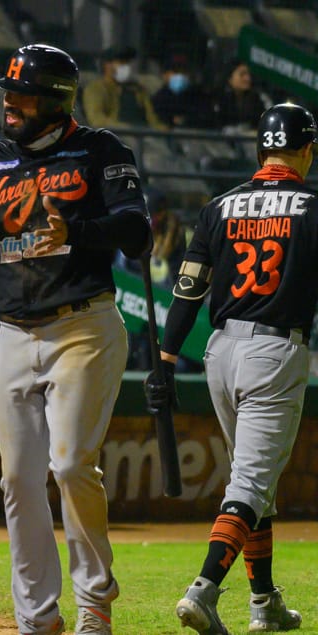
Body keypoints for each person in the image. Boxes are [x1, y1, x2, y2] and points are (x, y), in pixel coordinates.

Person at [0, 44, 151, 635]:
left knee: (69, 465)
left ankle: (94, 604)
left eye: (23, 94)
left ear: (56, 101)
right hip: (13, 331)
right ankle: (36, 617)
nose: (9, 102)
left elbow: (137, 230)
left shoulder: (100, 149)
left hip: (82, 325)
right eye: (7, 91)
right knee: (16, 479)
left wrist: (80, 229)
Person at [145, 103, 315, 635]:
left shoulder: (219, 206)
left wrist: (165, 360)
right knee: (250, 483)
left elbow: (189, 287)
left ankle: (264, 602)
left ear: (259, 150)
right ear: (306, 150)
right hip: (275, 353)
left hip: (219, 352)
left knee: (253, 479)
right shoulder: (312, 205)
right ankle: (204, 590)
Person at [81, 46, 166, 130]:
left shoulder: (138, 89)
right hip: (118, 135)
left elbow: (152, 118)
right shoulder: (96, 88)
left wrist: (164, 131)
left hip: (143, 135)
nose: (126, 67)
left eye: (128, 62)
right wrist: (125, 128)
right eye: (121, 62)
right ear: (107, 65)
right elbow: (97, 119)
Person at [208, 60, 273, 132]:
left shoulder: (258, 97)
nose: (248, 79)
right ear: (230, 78)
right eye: (242, 74)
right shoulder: (218, 98)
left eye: (248, 75)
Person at [152, 54, 207, 128]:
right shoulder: (158, 99)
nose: (180, 76)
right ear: (164, 75)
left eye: (184, 72)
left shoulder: (198, 97)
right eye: (176, 72)